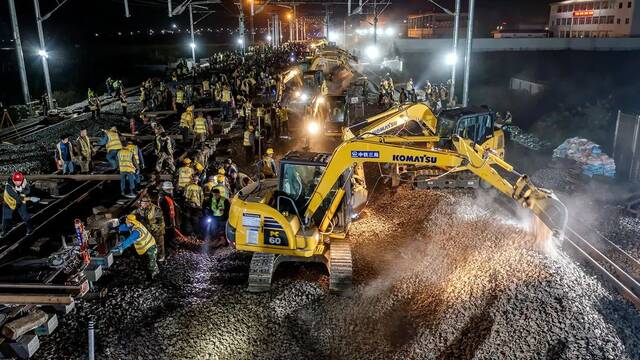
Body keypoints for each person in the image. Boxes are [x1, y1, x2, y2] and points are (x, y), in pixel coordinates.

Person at [113, 214, 159, 279]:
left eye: (127, 222)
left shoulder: (137, 232)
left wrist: (121, 247)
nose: (126, 222)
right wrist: (117, 229)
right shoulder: (134, 224)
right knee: (146, 262)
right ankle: (149, 274)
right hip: (145, 247)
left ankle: (154, 277)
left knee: (151, 263)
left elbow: (129, 240)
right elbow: (125, 227)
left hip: (150, 247)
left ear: (131, 222)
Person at [1, 172, 33, 237]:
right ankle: (4, 231)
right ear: (13, 180)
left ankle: (30, 229)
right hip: (9, 202)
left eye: (20, 181)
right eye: (16, 181)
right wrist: (26, 198)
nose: (18, 183)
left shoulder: (24, 182)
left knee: (25, 215)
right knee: (6, 217)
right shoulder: (8, 186)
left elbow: (28, 190)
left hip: (20, 201)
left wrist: (22, 190)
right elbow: (16, 196)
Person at [135, 196, 166, 262]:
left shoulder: (156, 209)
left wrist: (154, 229)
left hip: (157, 230)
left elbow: (160, 222)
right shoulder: (141, 209)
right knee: (149, 245)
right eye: (142, 203)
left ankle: (161, 257)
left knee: (159, 244)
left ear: (149, 203)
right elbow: (135, 213)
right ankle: (152, 257)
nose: (144, 204)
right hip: (148, 230)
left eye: (146, 203)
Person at [158, 181, 178, 249]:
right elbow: (164, 211)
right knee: (168, 231)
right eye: (169, 189)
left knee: (171, 230)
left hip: (170, 217)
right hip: (166, 218)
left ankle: (171, 242)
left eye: (171, 189)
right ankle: (168, 244)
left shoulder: (168, 196)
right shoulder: (163, 198)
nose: (170, 190)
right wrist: (167, 221)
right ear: (164, 189)